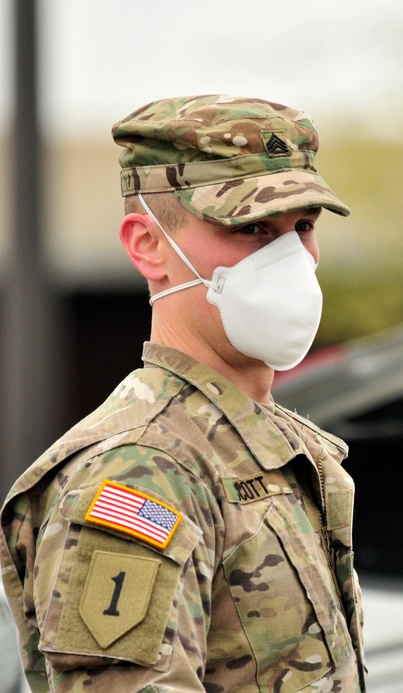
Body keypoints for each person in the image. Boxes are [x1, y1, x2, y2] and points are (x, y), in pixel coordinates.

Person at [0, 95, 366, 692]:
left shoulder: (271, 448)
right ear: (147, 244)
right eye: (251, 229)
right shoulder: (138, 471)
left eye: (302, 227)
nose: (291, 259)